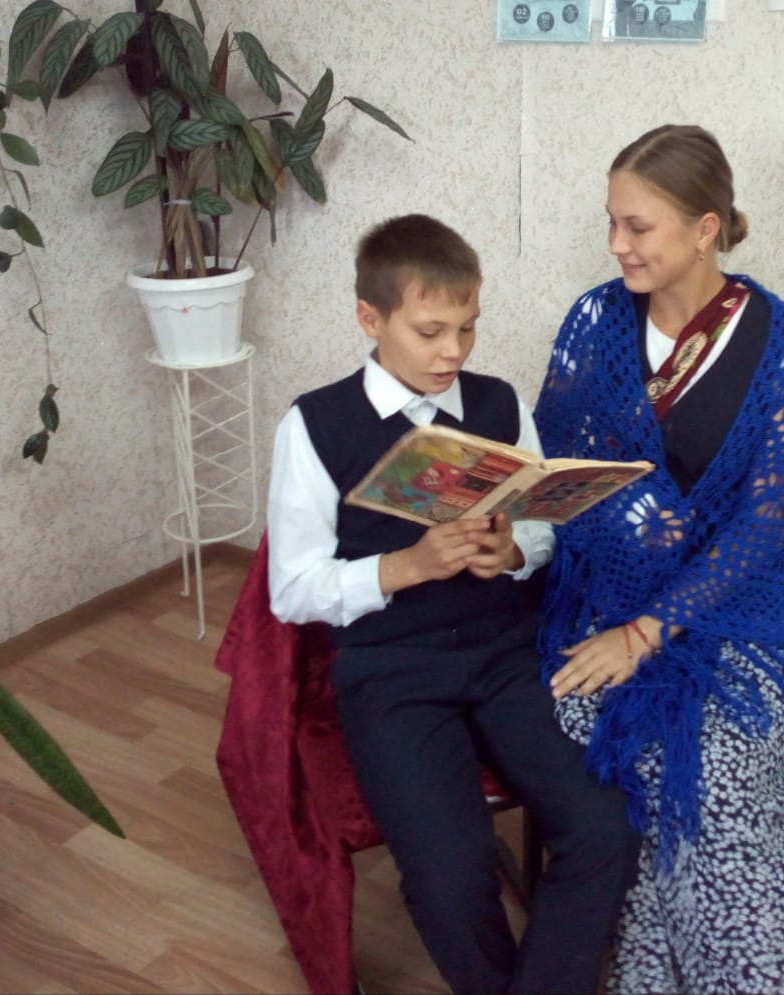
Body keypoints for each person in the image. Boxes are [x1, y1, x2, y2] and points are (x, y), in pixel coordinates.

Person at [535, 125, 784, 995]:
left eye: (637, 226)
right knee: (637, 744)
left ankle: (733, 974)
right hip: (608, 596)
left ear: (705, 229)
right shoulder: (595, 321)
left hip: (743, 606)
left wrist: (649, 631)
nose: (616, 244)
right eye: (611, 222)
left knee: (735, 758)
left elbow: (768, 522)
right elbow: (554, 468)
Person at [267, 213, 638, 995]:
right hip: (390, 670)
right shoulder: (315, 425)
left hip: (506, 654)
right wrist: (404, 565)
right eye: (431, 331)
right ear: (371, 318)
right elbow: (292, 588)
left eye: (468, 327)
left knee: (605, 825)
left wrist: (513, 551)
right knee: (448, 875)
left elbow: (539, 529)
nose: (454, 352)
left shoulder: (498, 404)